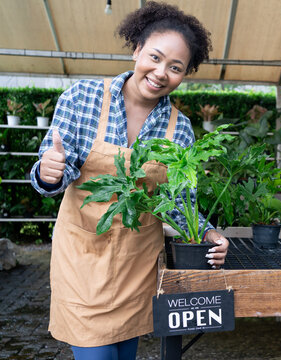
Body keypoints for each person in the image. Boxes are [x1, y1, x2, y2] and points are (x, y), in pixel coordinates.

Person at [30, 2, 229, 359]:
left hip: (136, 266)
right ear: (136, 49)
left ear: (185, 74)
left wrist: (208, 233)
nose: (160, 72)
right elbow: (54, 174)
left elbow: (178, 203)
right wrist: (49, 173)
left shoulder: (179, 128)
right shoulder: (82, 97)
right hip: (82, 259)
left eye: (175, 67)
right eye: (154, 57)